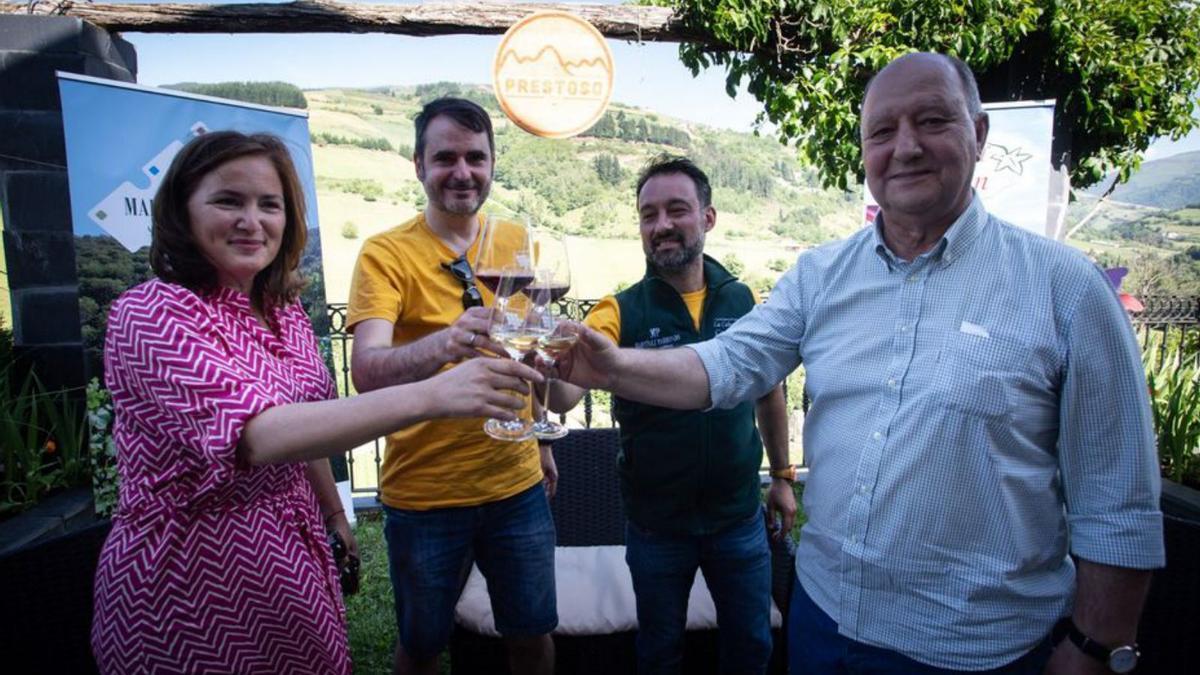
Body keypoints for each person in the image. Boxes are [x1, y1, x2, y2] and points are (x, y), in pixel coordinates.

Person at [554, 53, 1163, 674]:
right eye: (882, 132)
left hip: (975, 651)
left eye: (931, 121)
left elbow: (1118, 503)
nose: (905, 148)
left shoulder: (1067, 290)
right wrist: (607, 369)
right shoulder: (820, 277)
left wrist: (1094, 649)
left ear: (978, 135)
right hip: (824, 623)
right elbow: (731, 365)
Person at [90, 130, 540, 675]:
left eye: (269, 204)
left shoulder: (284, 312)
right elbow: (258, 435)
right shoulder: (154, 313)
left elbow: (311, 421)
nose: (251, 220)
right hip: (192, 575)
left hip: (293, 557)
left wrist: (333, 512)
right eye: (228, 200)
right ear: (182, 210)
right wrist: (432, 394)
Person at [550, 156, 796, 674]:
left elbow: (769, 392)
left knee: (751, 649)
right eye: (648, 214)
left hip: (738, 518)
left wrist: (781, 476)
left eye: (676, 210)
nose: (661, 225)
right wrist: (544, 365)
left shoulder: (742, 299)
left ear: (707, 217)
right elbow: (563, 398)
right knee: (659, 653)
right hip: (657, 526)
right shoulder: (618, 310)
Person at [347, 97, 557, 675]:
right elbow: (366, 370)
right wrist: (444, 342)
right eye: (445, 158)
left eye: (475, 157)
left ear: (492, 164)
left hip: (516, 488)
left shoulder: (514, 239)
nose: (462, 172)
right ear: (418, 165)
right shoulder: (385, 254)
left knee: (532, 634)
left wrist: (539, 440)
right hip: (425, 494)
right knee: (421, 644)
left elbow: (525, 344)